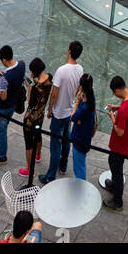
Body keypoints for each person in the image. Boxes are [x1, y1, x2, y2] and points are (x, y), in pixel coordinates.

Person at [43, 40, 84, 182]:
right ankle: (64, 165)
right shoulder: (80, 69)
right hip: (69, 111)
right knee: (66, 139)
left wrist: (49, 109)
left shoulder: (61, 71)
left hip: (59, 112)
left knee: (55, 144)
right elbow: (79, 88)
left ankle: (50, 176)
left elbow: (54, 94)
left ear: (69, 51)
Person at [102, 75, 128, 211]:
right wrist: (117, 107)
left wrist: (113, 117)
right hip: (127, 143)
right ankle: (113, 185)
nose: (114, 95)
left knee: (116, 169)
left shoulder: (123, 111)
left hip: (120, 145)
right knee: (115, 165)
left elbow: (119, 131)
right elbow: (127, 108)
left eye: (114, 92)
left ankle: (117, 200)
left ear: (117, 90)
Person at [0, 45, 26, 165]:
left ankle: (1, 156)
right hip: (14, 104)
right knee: (1, 127)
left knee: (2, 130)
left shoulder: (5, 78)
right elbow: (19, 78)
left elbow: (3, 97)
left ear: (4, 60)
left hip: (3, 107)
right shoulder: (21, 65)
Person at [19, 57, 52, 178]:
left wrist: (29, 87)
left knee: (28, 144)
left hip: (30, 118)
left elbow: (30, 102)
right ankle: (38, 154)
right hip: (40, 115)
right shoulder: (49, 79)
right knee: (38, 135)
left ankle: (29, 169)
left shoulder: (35, 88)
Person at [68, 73, 97, 180]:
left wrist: (76, 103)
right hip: (85, 138)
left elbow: (72, 117)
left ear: (82, 86)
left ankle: (80, 190)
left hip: (79, 140)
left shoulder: (84, 106)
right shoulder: (91, 97)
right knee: (81, 165)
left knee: (78, 169)